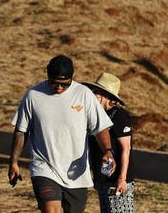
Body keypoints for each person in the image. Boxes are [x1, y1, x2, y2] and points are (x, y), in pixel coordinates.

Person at [8, 55, 116, 213]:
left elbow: (100, 127)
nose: (59, 88)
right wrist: (14, 162)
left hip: (76, 174)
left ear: (72, 78)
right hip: (44, 168)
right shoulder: (33, 95)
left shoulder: (84, 94)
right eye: (55, 83)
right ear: (48, 76)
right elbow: (21, 131)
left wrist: (107, 150)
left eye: (64, 84)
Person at [85, 73, 135, 213]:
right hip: (103, 178)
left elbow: (126, 149)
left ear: (104, 95)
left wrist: (122, 179)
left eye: (96, 93)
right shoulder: (97, 116)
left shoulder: (119, 116)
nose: (93, 96)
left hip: (117, 180)